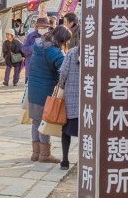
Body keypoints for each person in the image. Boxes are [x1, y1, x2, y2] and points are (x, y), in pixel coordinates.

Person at [26, 25, 71, 163]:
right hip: (45, 90)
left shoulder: (39, 45)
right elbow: (64, 70)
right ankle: (44, 155)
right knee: (45, 121)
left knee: (36, 121)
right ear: (61, 39)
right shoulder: (54, 52)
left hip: (33, 88)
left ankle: (36, 153)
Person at [57, 38, 80, 170]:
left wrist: (61, 85)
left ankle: (65, 160)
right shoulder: (94, 53)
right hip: (88, 101)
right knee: (86, 133)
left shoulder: (72, 53)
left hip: (71, 99)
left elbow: (63, 73)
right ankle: (84, 160)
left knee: (66, 131)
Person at [21, 17, 49, 82]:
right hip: (31, 70)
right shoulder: (31, 36)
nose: (43, 29)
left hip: (46, 71)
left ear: (48, 27)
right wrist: (35, 46)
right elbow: (24, 49)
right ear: (37, 27)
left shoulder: (51, 36)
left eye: (44, 28)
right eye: (41, 27)